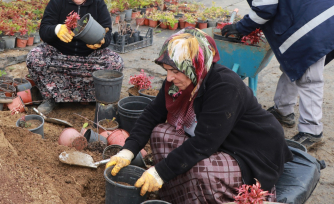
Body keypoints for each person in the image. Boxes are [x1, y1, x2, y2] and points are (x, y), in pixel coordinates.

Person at [106, 28, 292, 204]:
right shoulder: (180, 81)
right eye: (167, 70)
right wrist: (128, 151)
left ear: (196, 67)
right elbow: (152, 114)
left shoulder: (224, 87)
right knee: (160, 133)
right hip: (219, 143)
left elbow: (204, 143)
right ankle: (175, 195)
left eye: (175, 71)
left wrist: (159, 172)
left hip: (252, 153)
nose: (169, 78)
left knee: (202, 171)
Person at [221, 0, 334, 149]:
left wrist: (240, 28)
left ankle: (311, 131)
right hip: (316, 19)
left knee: (309, 76)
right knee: (293, 65)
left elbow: (266, 7)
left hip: (317, 24)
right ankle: (283, 110)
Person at [26, 0, 124, 114]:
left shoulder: (98, 4)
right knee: (34, 57)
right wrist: (56, 29)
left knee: (115, 62)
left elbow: (108, 33)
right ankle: (51, 97)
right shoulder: (57, 2)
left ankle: (95, 98)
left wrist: (101, 42)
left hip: (89, 57)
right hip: (60, 55)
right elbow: (44, 30)